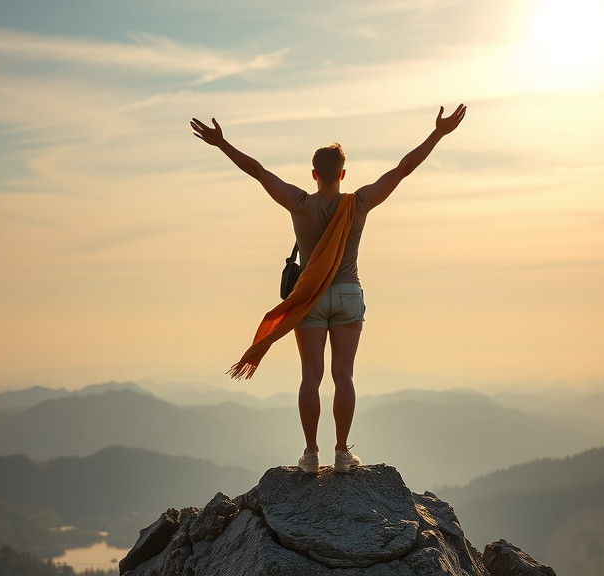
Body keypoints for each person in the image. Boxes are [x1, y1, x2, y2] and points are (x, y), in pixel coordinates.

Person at [190, 104, 467, 473]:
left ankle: (309, 455)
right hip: (348, 295)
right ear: (343, 174)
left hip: (310, 299)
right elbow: (402, 169)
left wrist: (222, 144)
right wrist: (437, 134)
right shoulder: (359, 203)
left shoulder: (299, 203)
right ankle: (340, 453)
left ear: (314, 174)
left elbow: (257, 171)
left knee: (311, 377)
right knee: (344, 377)